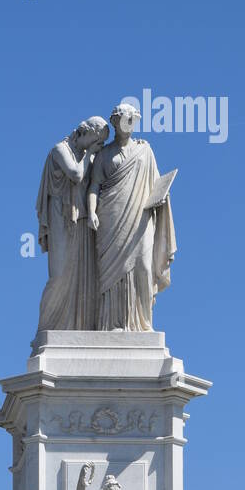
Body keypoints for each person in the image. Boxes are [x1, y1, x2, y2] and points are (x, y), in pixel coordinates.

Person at [87, 102, 176, 332]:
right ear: (115, 122)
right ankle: (113, 324)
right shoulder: (104, 155)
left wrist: (162, 198)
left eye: (132, 120)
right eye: (124, 119)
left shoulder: (145, 150)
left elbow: (156, 183)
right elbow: (94, 186)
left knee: (144, 267)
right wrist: (91, 212)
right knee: (111, 274)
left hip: (141, 215)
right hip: (110, 216)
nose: (129, 124)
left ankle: (143, 324)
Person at [36, 115, 110, 332]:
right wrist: (89, 154)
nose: (100, 146)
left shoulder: (91, 156)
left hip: (84, 219)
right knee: (59, 275)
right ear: (84, 133)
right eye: (97, 140)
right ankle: (46, 328)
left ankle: (80, 327)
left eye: (102, 143)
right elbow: (76, 174)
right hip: (61, 217)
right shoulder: (61, 150)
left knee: (84, 275)